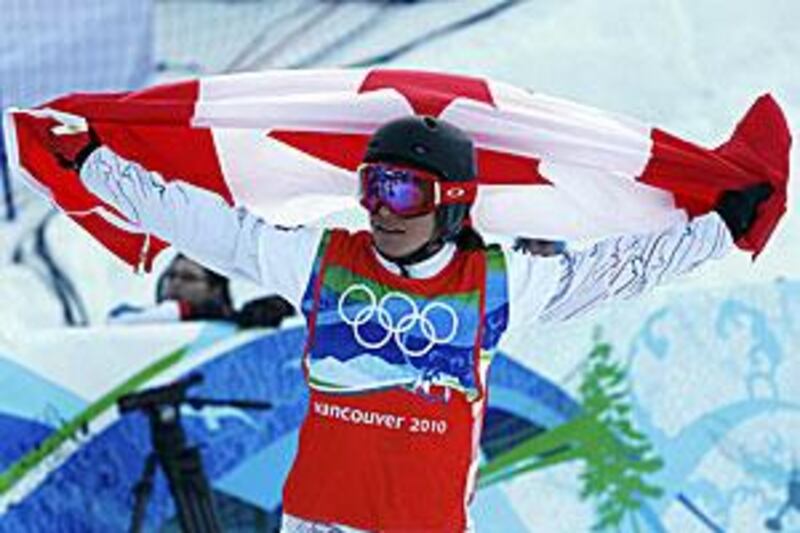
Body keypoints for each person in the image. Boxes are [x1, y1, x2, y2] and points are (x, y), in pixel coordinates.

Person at [39, 115, 772, 532]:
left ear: (451, 201)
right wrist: (96, 163)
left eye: (400, 188)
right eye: (370, 185)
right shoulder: (323, 263)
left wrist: (718, 230)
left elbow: (621, 269)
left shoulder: (499, 283)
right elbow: (204, 224)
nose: (380, 206)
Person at [109, 253, 295, 328]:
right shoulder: (132, 317)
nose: (175, 283)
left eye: (188, 278)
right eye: (170, 276)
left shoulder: (232, 325)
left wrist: (277, 307)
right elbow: (114, 321)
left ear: (215, 289)